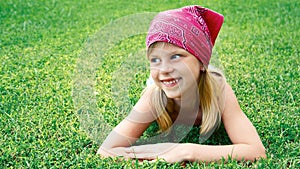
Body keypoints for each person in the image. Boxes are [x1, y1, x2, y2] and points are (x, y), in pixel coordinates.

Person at [97, 5, 266, 163]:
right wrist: (159, 151)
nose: (163, 69)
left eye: (176, 56)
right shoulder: (155, 95)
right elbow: (106, 150)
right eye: (155, 59)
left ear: (201, 62)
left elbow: (256, 151)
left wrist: (186, 151)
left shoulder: (220, 90)